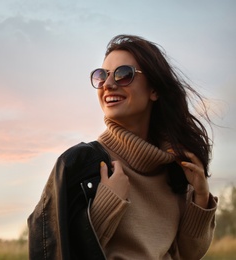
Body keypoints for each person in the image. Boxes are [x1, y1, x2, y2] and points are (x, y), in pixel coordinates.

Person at [28, 34, 217, 259]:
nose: (108, 84)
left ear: (154, 90)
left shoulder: (177, 169)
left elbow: (189, 254)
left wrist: (201, 198)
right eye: (101, 76)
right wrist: (108, 203)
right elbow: (56, 250)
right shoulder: (81, 165)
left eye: (124, 74)